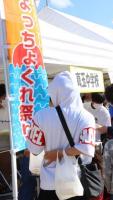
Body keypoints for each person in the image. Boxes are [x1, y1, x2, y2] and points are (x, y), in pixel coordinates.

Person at [27, 71, 96, 200]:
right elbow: (87, 150)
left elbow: (34, 150)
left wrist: (57, 153)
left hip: (49, 182)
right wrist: (62, 153)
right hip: (75, 181)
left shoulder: (41, 116)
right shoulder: (87, 117)